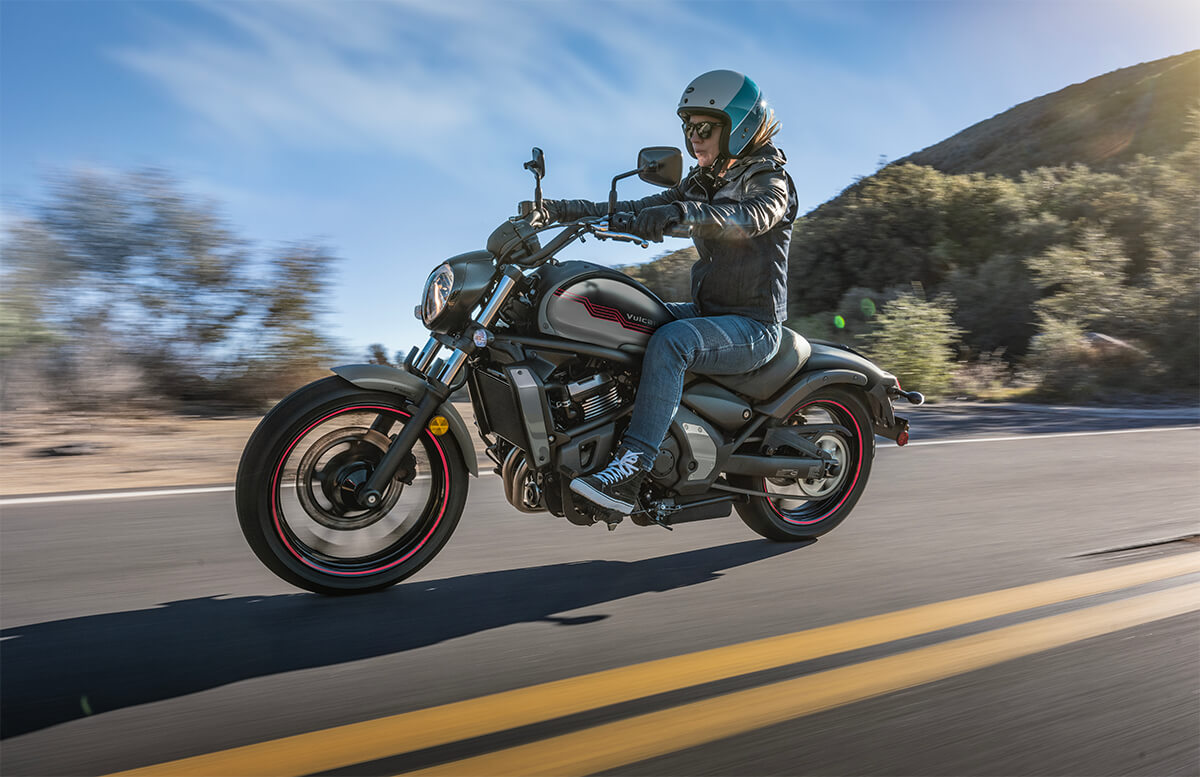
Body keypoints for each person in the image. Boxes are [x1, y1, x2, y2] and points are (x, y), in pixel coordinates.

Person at [544, 69, 799, 518]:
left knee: (671, 342)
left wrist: (681, 212)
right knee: (617, 316)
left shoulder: (770, 179)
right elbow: (631, 207)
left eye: (705, 128)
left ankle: (632, 466)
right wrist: (557, 210)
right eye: (688, 127)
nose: (693, 138)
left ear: (738, 126)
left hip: (754, 326)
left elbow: (752, 216)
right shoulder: (704, 181)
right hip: (709, 311)